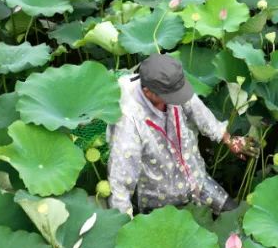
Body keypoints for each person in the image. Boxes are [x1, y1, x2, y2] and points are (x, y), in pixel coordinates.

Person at [107, 54, 257, 216]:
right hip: (159, 200)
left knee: (235, 216)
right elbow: (120, 182)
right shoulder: (128, 120)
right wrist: (125, 223)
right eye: (171, 97)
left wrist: (229, 139)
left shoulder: (173, 86)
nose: (176, 100)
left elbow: (200, 114)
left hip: (197, 181)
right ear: (148, 92)